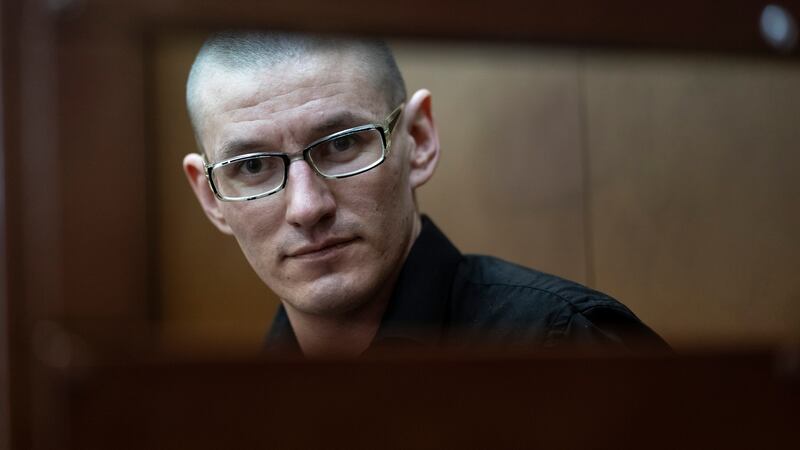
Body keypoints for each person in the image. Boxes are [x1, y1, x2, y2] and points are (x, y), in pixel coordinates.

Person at [182, 31, 669, 358]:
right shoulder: (227, 406)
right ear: (210, 198)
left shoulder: (563, 345)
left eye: (344, 144)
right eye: (252, 167)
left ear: (419, 139)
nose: (307, 208)